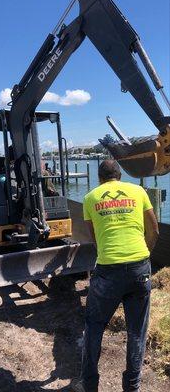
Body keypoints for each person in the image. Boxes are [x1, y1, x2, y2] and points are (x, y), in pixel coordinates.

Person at [72, 160, 159, 392]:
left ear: (100, 178)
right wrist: (144, 256)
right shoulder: (139, 191)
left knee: (94, 325)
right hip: (140, 268)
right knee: (136, 331)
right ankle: (132, 386)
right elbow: (154, 229)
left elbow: (96, 239)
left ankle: (89, 384)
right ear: (120, 176)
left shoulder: (90, 198)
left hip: (108, 271)